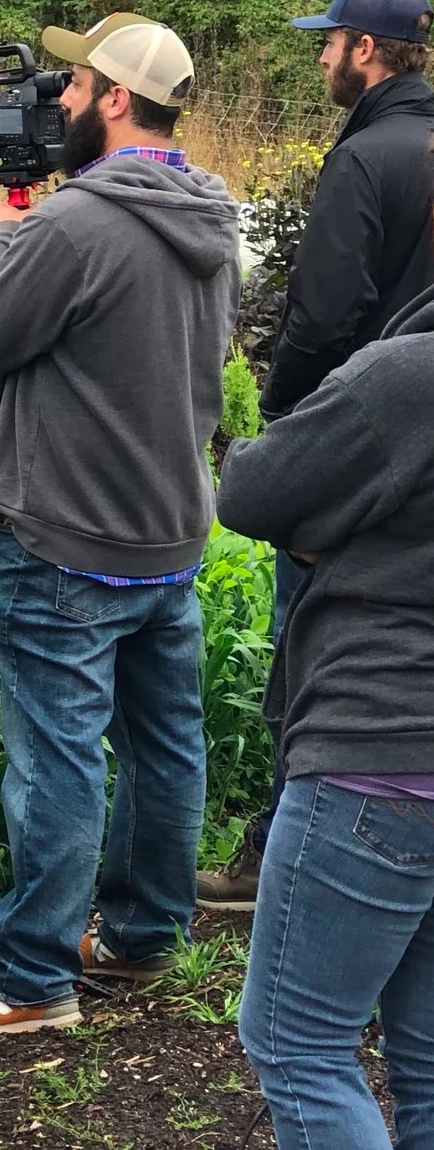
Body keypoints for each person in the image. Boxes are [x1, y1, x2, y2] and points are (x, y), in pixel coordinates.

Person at [0, 13, 241, 1036]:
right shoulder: (211, 212)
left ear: (110, 98)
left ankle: (28, 982)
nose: (56, 99)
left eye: (74, 84)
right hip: (168, 527)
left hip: (66, 536)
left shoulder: (69, 224)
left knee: (57, 757)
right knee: (163, 743)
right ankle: (141, 935)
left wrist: (7, 239)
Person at [200, 0, 434, 911]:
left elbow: (322, 316)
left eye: (329, 40)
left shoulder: (365, 157)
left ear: (366, 50)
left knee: (313, 659)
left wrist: (292, 428)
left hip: (367, 437)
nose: (321, 56)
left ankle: (286, 852)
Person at [216, 281, 434, 1150]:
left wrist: (338, 522)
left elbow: (251, 490)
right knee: (425, 1060)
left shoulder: (402, 378)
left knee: (296, 1041)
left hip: (375, 750)